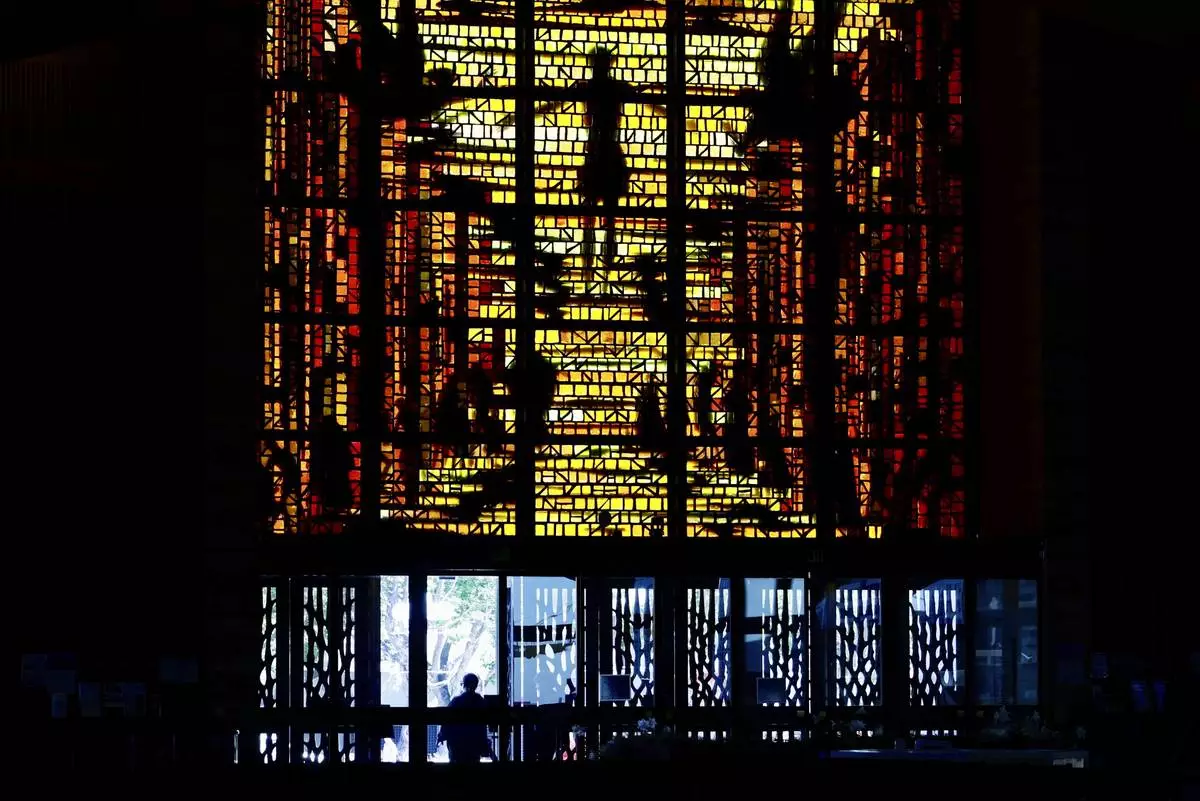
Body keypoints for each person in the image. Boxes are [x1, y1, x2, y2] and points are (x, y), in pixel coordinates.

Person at [437, 674, 495, 763]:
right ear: (476, 685)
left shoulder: (456, 701)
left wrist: (442, 735)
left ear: (464, 684)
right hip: (475, 743)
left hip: (457, 744)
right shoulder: (481, 702)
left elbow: (447, 720)